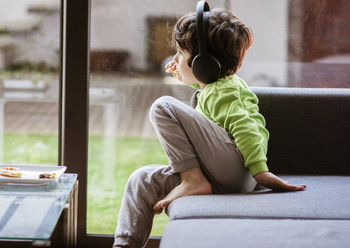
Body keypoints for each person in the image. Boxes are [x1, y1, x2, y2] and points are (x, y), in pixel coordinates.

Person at [113, 4, 306, 248]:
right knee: (140, 179)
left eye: (180, 55)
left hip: (237, 171)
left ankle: (192, 181)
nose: (174, 60)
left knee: (162, 106)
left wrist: (260, 172)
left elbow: (246, 128)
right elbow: (210, 106)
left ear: (202, 64)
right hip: (218, 174)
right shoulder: (216, 90)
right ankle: (124, 245)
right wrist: (187, 78)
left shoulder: (227, 93)